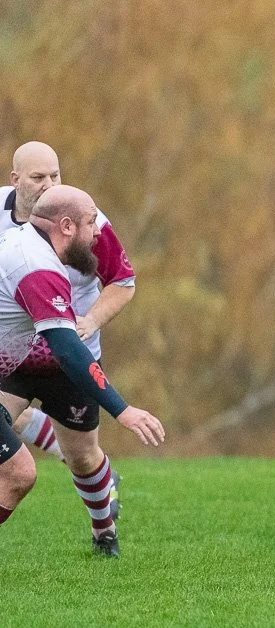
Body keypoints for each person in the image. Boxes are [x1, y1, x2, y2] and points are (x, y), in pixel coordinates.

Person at [0, 185, 164, 557]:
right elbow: (69, 349)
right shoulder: (36, 265)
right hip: (24, 366)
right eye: (92, 223)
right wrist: (124, 410)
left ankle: (104, 534)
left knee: (59, 460)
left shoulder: (30, 246)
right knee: (18, 473)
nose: (98, 234)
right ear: (67, 226)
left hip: (18, 364)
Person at [0, 143, 134, 518]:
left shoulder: (85, 220)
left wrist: (89, 321)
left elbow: (124, 282)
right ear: (15, 180)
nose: (48, 184)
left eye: (55, 176)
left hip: (71, 352)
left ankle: (104, 528)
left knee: (83, 456)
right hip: (15, 352)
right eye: (37, 177)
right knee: (10, 432)